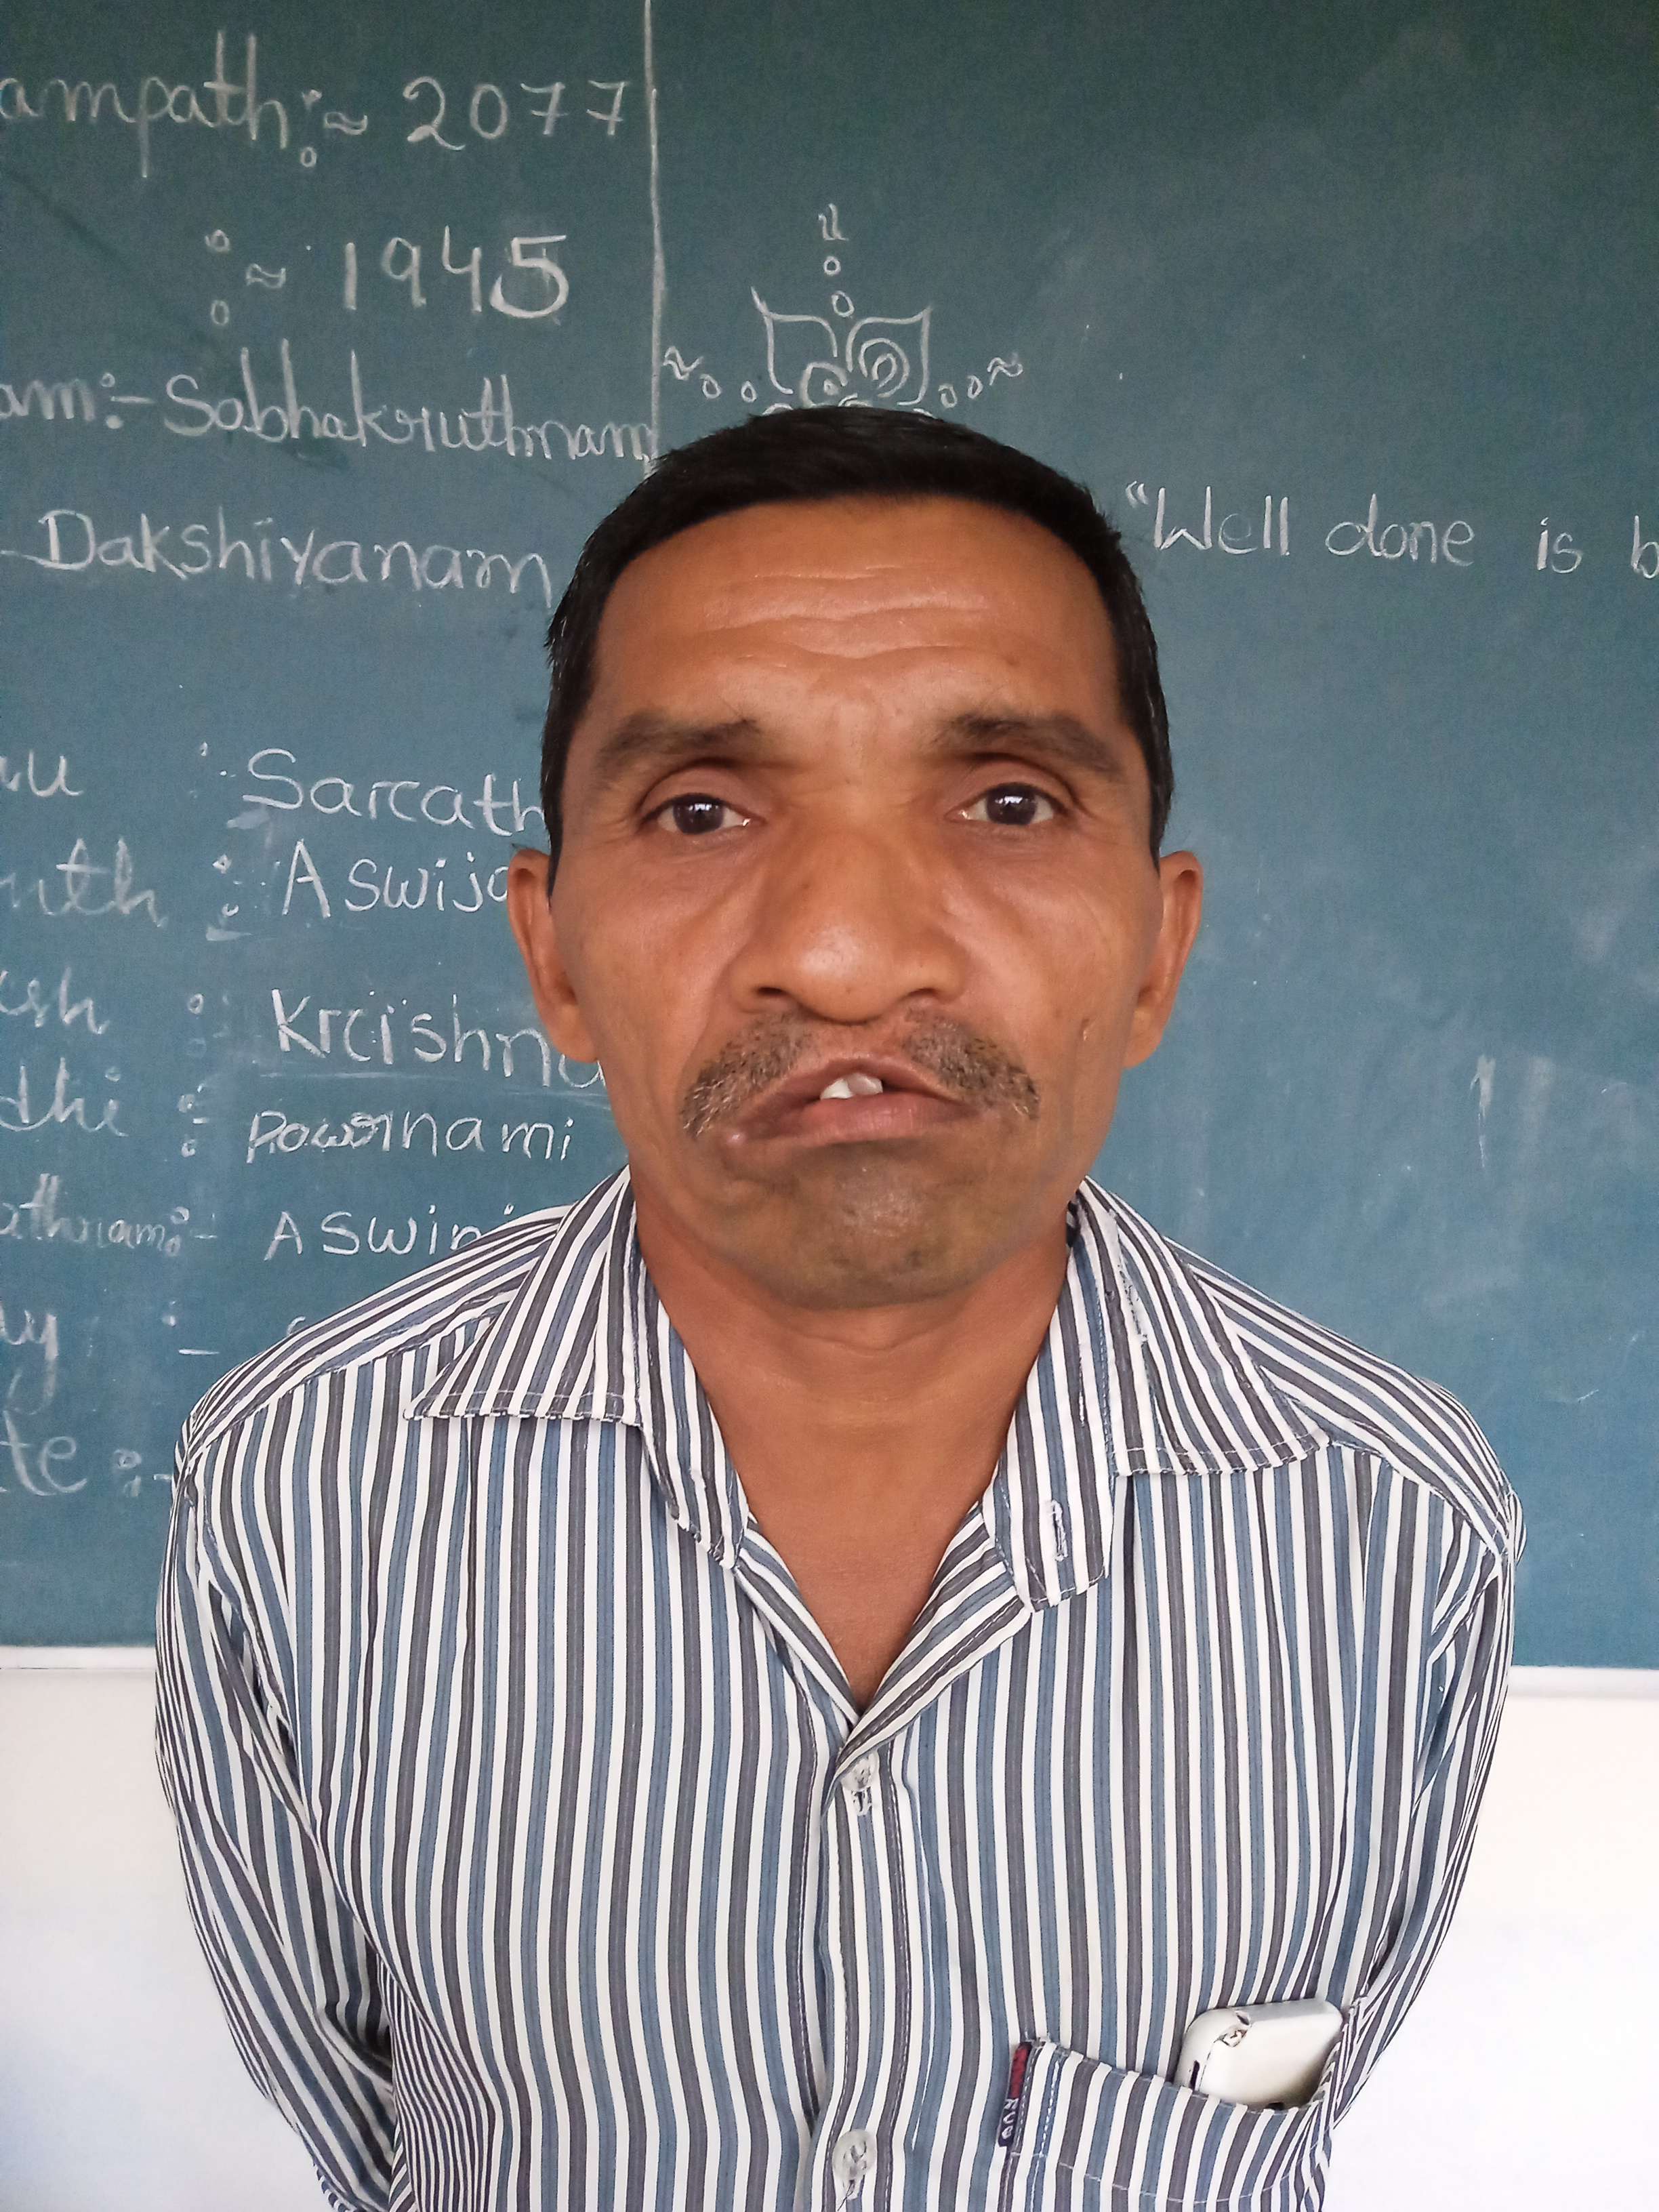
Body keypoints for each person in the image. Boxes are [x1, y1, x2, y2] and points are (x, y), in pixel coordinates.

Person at [155, 407, 1523, 2212]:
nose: (849, 953)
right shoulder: (297, 1490)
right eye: (702, 811)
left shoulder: (1390, 1520)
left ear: (1157, 950)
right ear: (554, 956)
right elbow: (380, 2132)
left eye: (1009, 802)